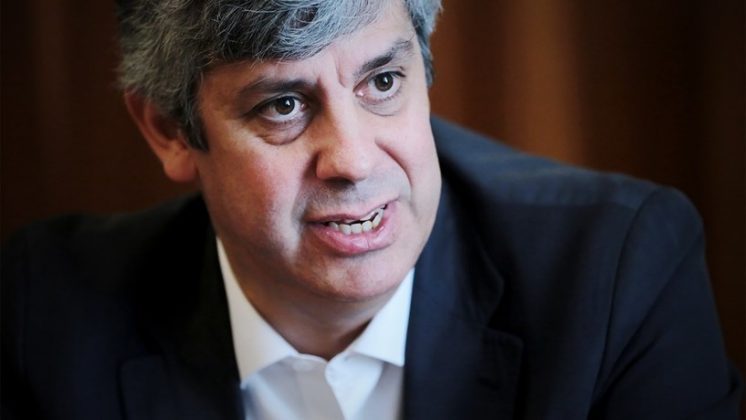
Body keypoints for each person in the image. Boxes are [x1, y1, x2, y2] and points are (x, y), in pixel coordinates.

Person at [1, 0, 741, 418]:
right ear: (168, 129)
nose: (353, 160)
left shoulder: (617, 271)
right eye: (283, 105)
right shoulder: (43, 311)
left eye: (382, 82)